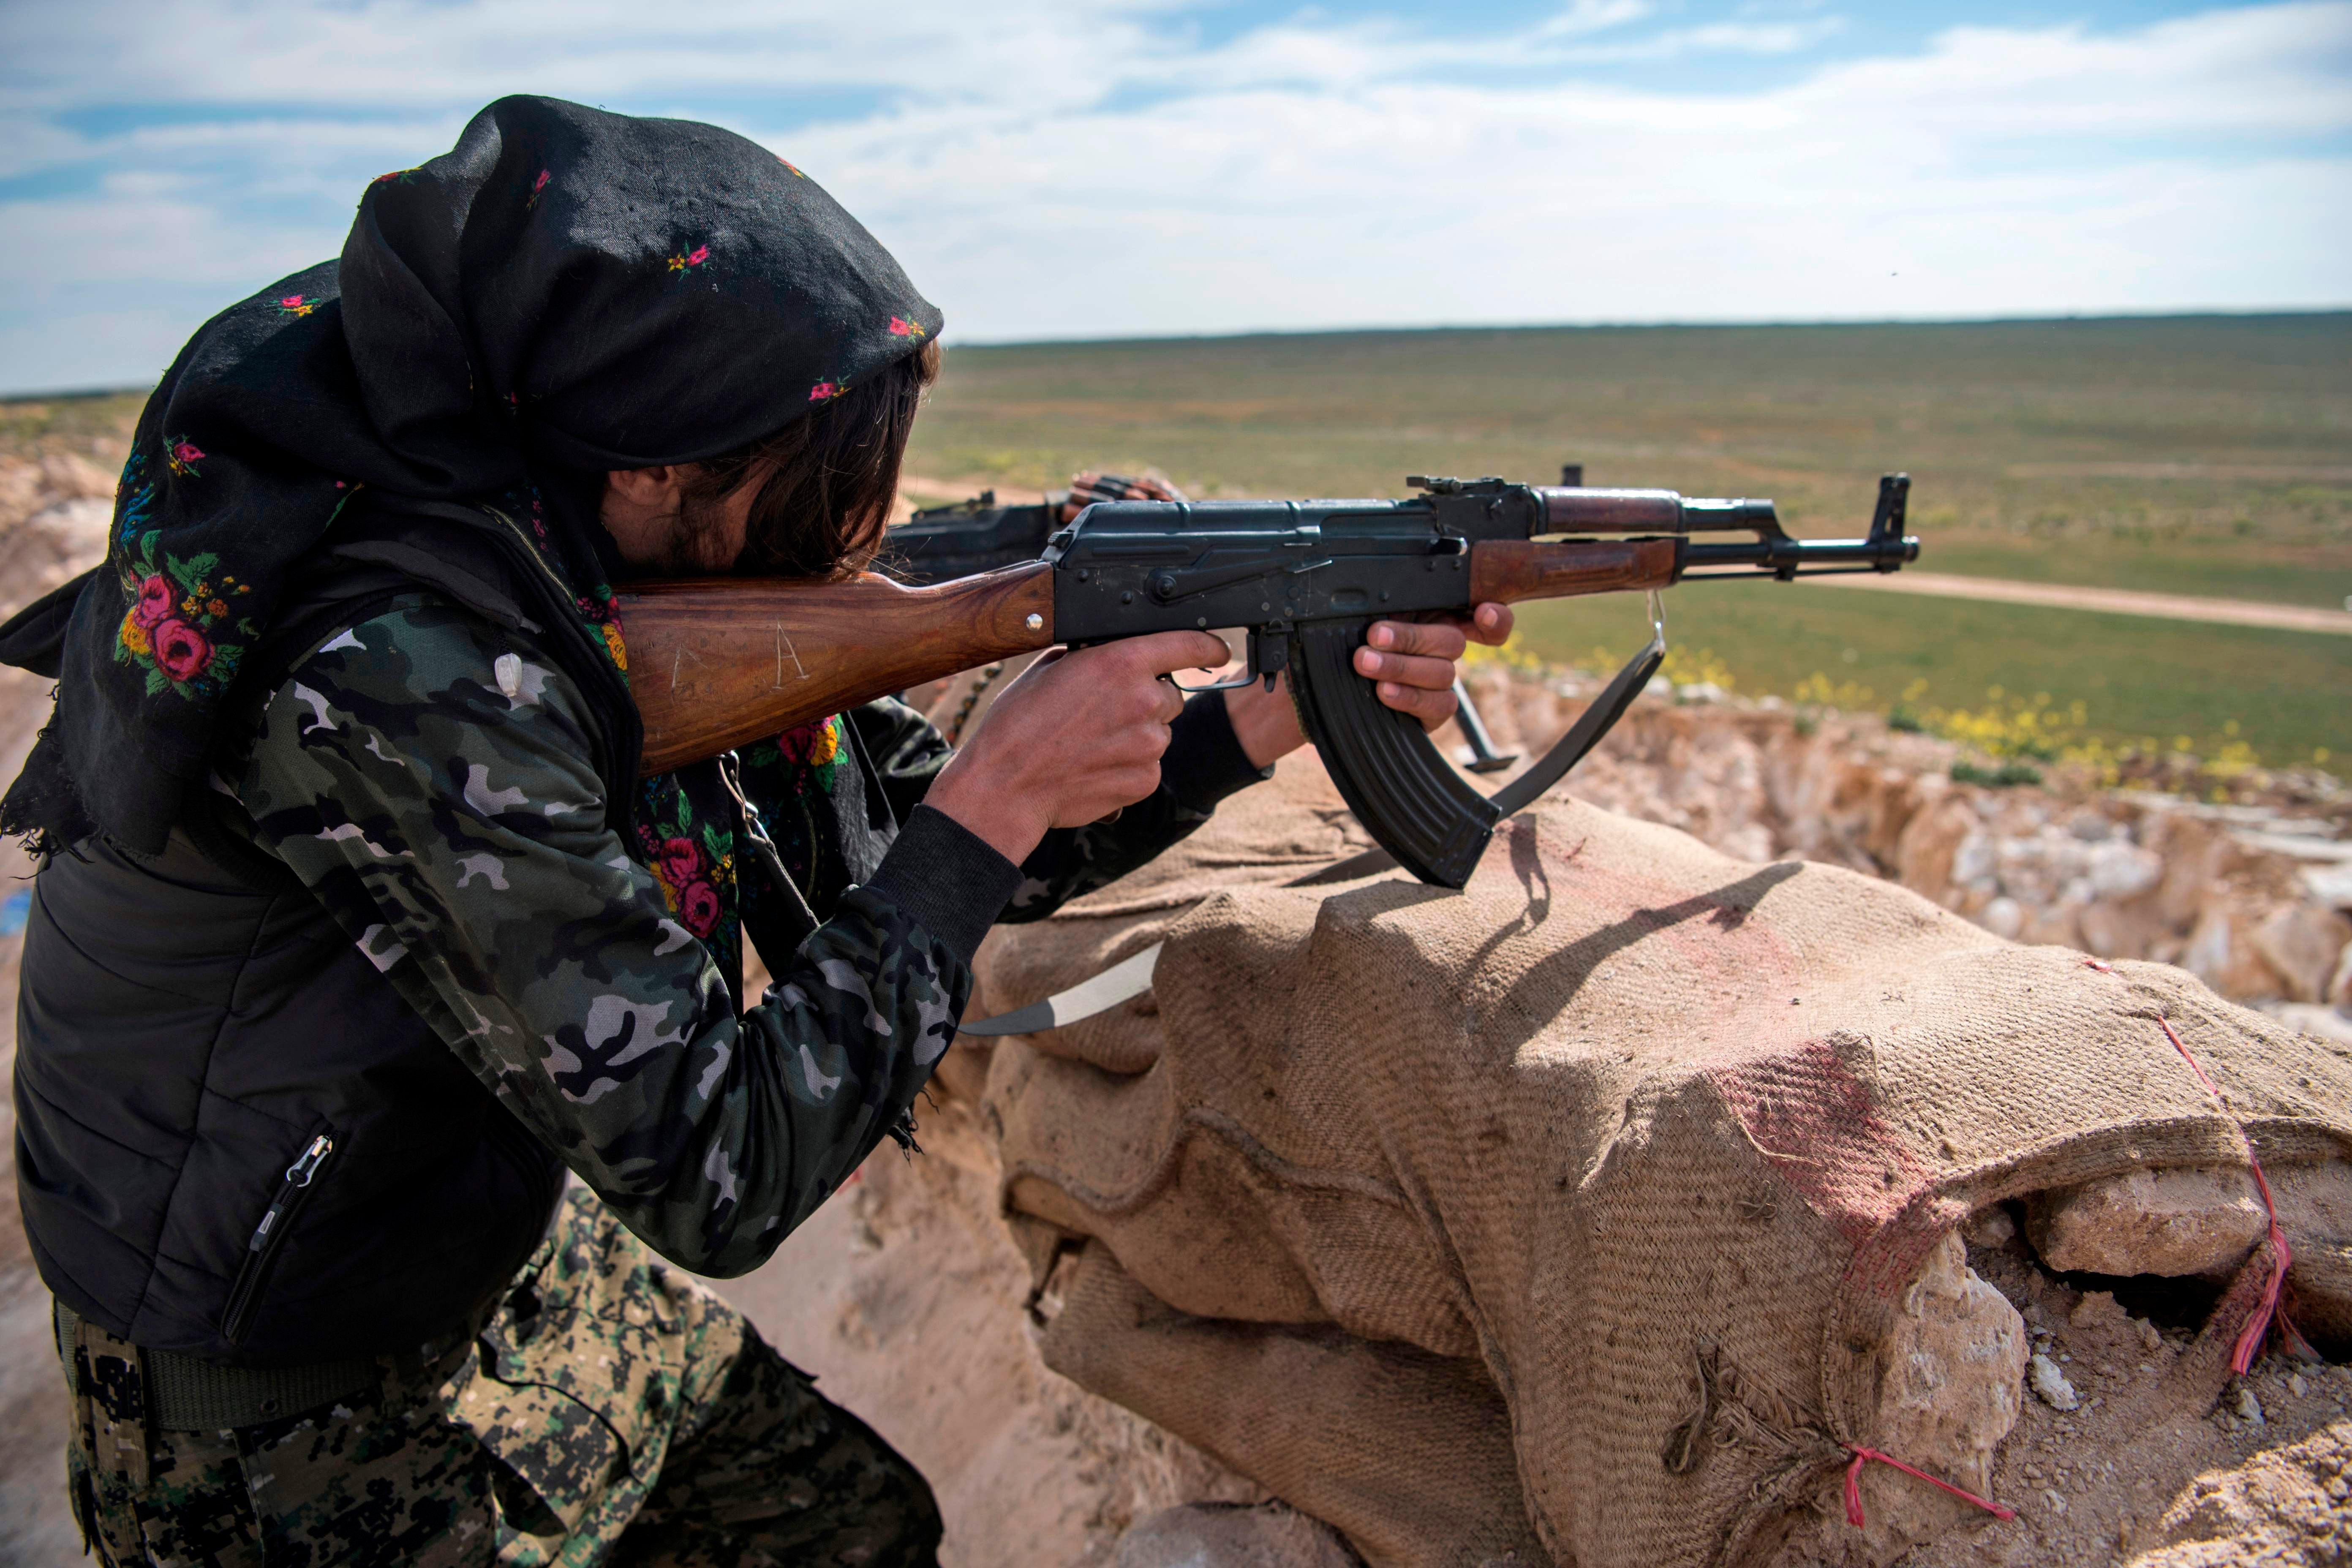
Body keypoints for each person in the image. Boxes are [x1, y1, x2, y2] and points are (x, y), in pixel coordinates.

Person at [0, 97, 1511, 1565]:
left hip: (482, 1245)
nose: (860, 523)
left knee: (856, 1526)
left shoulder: (579, 559)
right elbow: (722, 1171)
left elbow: (923, 854)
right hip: (285, 1402)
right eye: (818, 468)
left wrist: (1266, 713)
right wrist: (1003, 785)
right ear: (655, 461)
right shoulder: (404, 670)